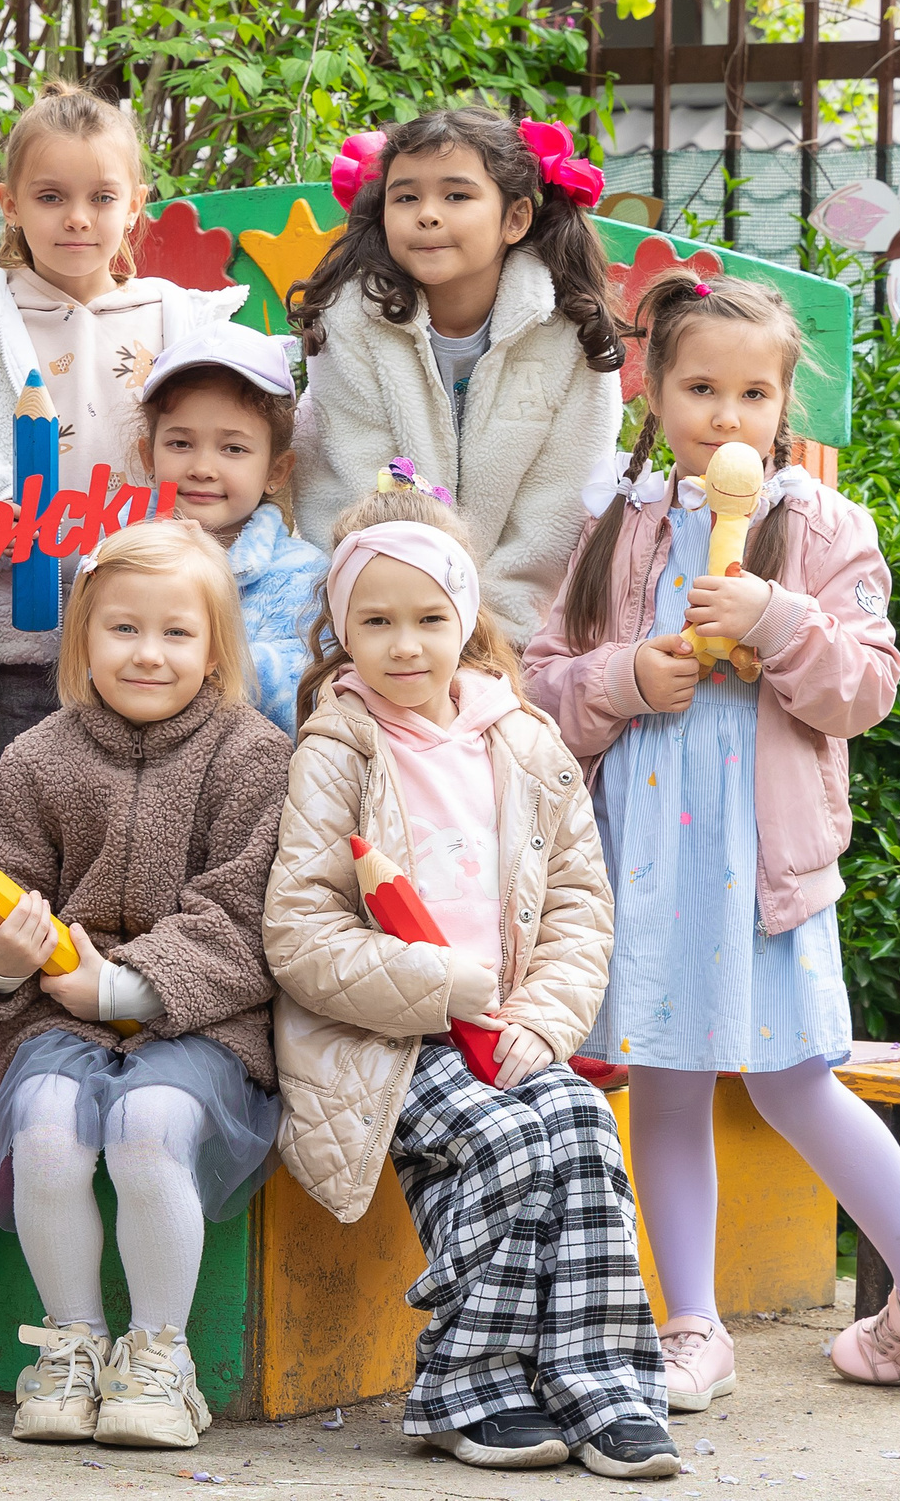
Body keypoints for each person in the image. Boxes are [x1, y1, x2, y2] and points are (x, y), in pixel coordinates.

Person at [525, 271, 900, 1408]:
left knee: (796, 1081)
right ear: (653, 393)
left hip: (758, 868)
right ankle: (690, 1327)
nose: (726, 416)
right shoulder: (615, 527)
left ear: (784, 405)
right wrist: (622, 678)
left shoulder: (825, 527)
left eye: (753, 393)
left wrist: (777, 620)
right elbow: (541, 686)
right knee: (664, 1086)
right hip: (641, 861)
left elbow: (866, 689)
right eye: (700, 388)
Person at [260, 476, 680, 1479]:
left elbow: (578, 903)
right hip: (385, 1044)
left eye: (427, 619)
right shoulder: (337, 748)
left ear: (466, 616)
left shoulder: (524, 740)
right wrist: (442, 984)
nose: (404, 645)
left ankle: (598, 1378)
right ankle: (472, 1382)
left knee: (581, 1127)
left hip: (510, 1030)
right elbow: (300, 933)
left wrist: (542, 1017)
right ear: (341, 627)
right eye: (375, 622)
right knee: (506, 1144)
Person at [0, 518, 290, 1451]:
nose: (147, 652)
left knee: (146, 1127)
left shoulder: (251, 757)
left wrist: (127, 987)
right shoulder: (39, 758)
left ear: (214, 648)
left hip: (199, 1022)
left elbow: (247, 916)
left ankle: (160, 1356)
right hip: (57, 1016)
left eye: (176, 632)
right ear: (84, 640)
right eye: (123, 628)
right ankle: (73, 1344)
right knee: (47, 1126)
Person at [0, 79, 249, 760]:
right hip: (28, 635)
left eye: (102, 198)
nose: (78, 218)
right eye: (51, 197)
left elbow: (241, 430)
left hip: (158, 632)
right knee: (31, 786)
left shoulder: (176, 321)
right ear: (11, 205)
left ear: (136, 204)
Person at [289, 106, 626, 644]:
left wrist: (492, 637)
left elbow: (558, 508)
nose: (427, 215)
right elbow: (353, 481)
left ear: (515, 219)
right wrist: (411, 624)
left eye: (457, 196)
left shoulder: (570, 331)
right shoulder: (351, 321)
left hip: (522, 630)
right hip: (377, 618)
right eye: (405, 198)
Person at [134, 325, 328, 738]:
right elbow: (87, 670)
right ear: (147, 457)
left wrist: (196, 660)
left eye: (233, 448)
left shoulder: (304, 576)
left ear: (276, 471)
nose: (203, 468)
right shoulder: (118, 556)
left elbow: (309, 698)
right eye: (180, 443)